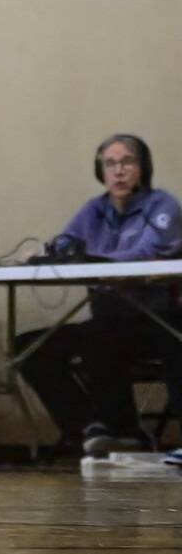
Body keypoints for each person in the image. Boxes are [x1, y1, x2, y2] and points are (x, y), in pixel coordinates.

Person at [16, 134, 182, 458]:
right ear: (100, 172)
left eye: (127, 162)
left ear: (143, 168)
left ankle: (126, 432)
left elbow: (146, 252)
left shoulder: (162, 205)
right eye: (110, 164)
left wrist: (93, 261)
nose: (118, 171)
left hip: (156, 320)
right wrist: (42, 253)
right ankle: (91, 429)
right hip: (109, 322)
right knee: (30, 348)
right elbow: (66, 244)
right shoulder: (95, 209)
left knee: (100, 340)